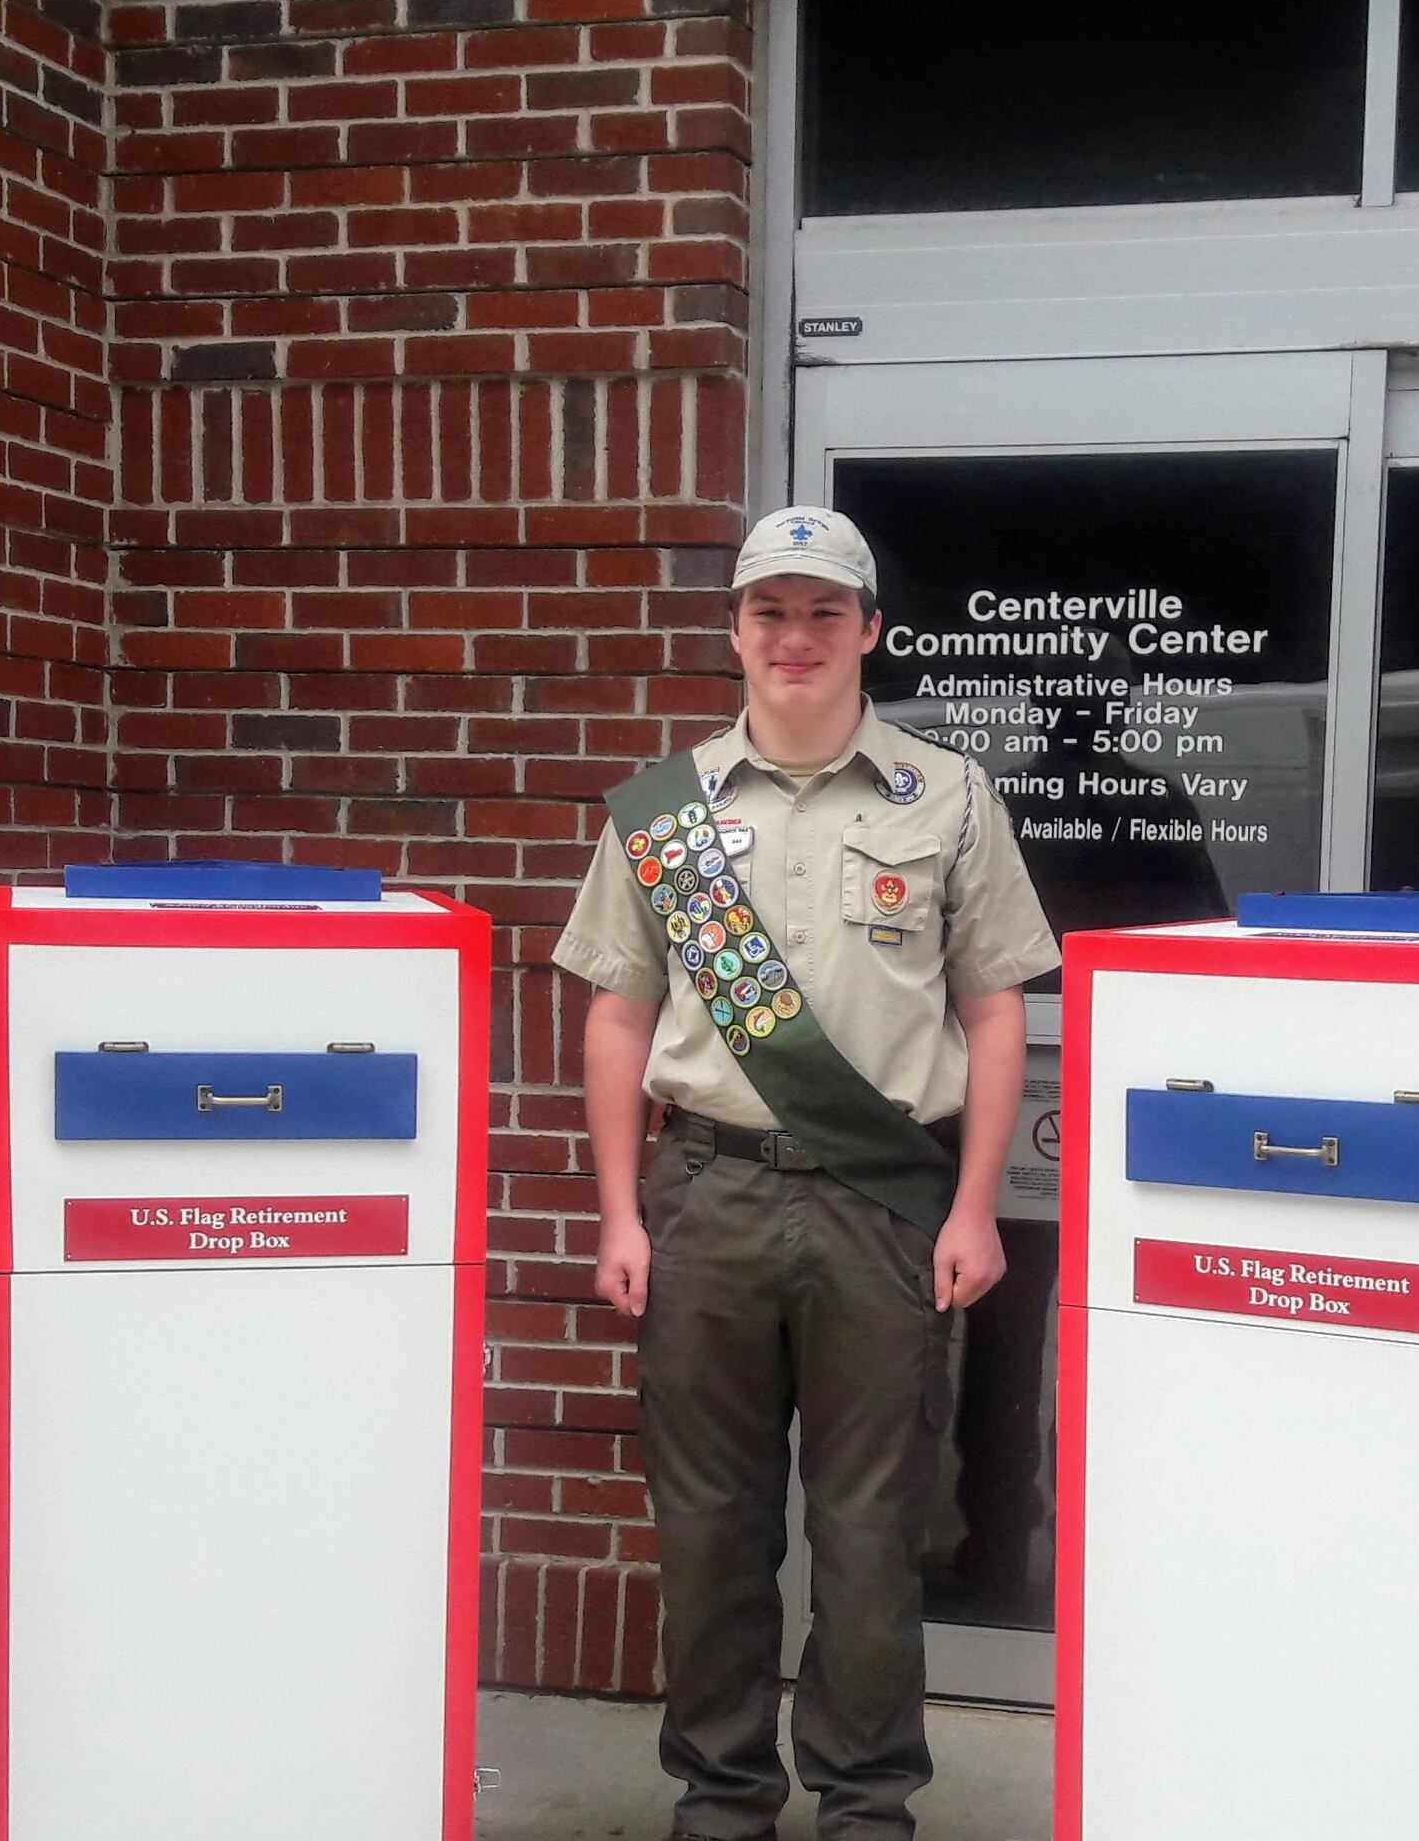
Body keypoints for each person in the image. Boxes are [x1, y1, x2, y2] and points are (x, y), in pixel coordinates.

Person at [554, 506, 1060, 1841]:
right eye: (769, 611)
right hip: (704, 1198)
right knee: (710, 1532)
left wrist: (974, 1207)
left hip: (883, 1208)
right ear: (733, 632)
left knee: (873, 1533)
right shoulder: (665, 814)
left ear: (870, 632)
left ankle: (866, 1805)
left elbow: (997, 1008)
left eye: (823, 612)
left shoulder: (944, 797)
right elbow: (615, 1014)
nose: (795, 637)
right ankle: (721, 1800)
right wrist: (619, 1210)